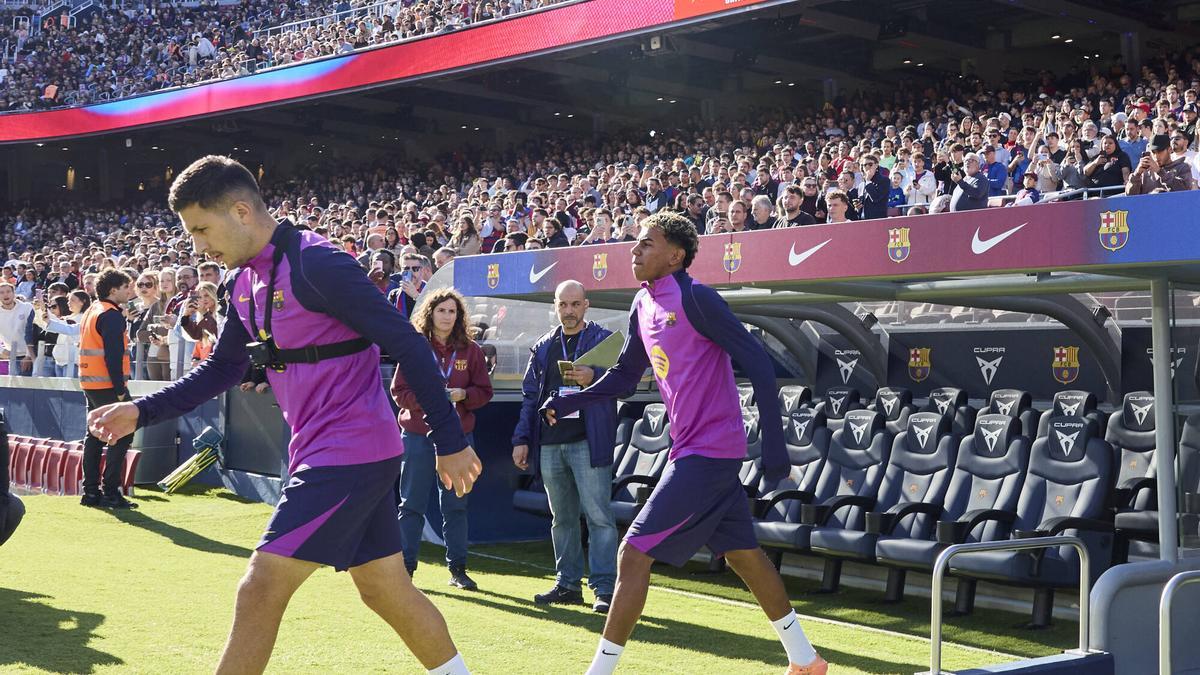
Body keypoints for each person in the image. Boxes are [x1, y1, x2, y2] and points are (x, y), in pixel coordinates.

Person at [86, 156, 481, 675]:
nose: (198, 247)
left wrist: (449, 441)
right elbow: (221, 369)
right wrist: (141, 410)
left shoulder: (319, 263)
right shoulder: (242, 282)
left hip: (351, 451)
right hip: (323, 451)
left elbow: (408, 343)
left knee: (260, 586)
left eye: (202, 229)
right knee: (385, 589)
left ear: (241, 211)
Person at [542, 212, 826, 675]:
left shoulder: (698, 298)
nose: (635, 249)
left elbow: (758, 363)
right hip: (691, 450)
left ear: (675, 256)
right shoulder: (642, 302)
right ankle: (806, 659)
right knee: (744, 555)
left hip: (709, 454)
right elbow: (626, 376)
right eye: (636, 241)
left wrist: (775, 449)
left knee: (633, 553)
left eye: (646, 243)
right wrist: (573, 399)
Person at [511, 280, 622, 614]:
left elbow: (627, 384)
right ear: (555, 306)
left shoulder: (603, 340)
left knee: (599, 517)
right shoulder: (544, 346)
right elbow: (530, 397)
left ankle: (604, 590)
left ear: (586, 305)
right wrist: (521, 439)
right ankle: (568, 585)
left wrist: (595, 375)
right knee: (562, 519)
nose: (569, 310)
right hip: (550, 443)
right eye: (563, 304)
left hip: (589, 441)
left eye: (575, 304)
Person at [391, 288, 493, 589]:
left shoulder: (471, 350)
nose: (447, 316)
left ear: (459, 316)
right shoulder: (415, 347)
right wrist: (430, 399)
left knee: (456, 505)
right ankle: (406, 570)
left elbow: (484, 392)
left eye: (452, 311)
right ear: (430, 314)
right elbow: (399, 392)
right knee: (411, 504)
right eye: (441, 311)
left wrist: (464, 395)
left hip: (458, 438)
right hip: (418, 435)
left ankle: (458, 570)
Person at [78, 269, 138, 509]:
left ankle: (91, 493)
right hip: (108, 384)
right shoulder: (111, 315)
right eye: (126, 287)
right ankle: (111, 492)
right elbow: (113, 356)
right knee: (122, 434)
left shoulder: (93, 310)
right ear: (113, 290)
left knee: (94, 436)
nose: (129, 291)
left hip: (91, 382)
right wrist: (120, 389)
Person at [1126, 133, 1196, 195]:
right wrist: (1136, 174)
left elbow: (1183, 192)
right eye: (1153, 152)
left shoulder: (1182, 168)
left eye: (1159, 152)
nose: (1156, 156)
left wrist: (1160, 172)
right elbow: (1130, 196)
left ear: (1169, 150)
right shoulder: (1145, 172)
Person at [0, 282, 33, 375]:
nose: (5, 295)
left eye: (8, 291)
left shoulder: (27, 307)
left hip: (30, 355)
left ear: (14, 293)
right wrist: (3, 351)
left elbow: (32, 331)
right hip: (12, 356)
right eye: (1, 292)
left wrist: (28, 355)